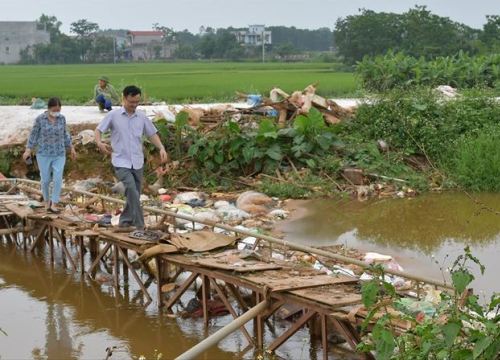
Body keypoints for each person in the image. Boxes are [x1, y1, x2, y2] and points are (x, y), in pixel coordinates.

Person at [95, 85, 168, 229]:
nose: (134, 105)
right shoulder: (113, 115)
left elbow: (151, 134)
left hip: (137, 162)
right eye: (131, 102)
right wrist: (99, 143)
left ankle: (124, 222)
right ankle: (140, 225)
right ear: (124, 99)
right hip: (120, 161)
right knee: (132, 191)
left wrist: (161, 147)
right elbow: (98, 130)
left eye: (137, 102)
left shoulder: (141, 116)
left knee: (134, 194)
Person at [23, 97, 77, 213]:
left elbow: (65, 134)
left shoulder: (62, 119)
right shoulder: (40, 119)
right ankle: (47, 202)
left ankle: (54, 204)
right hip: (43, 153)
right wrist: (28, 150)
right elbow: (33, 135)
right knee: (46, 180)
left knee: (58, 178)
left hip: (59, 153)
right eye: (54, 109)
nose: (56, 112)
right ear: (48, 108)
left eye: (58, 109)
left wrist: (71, 147)